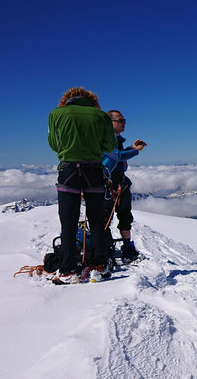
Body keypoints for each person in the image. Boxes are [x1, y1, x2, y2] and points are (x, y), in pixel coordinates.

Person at [48, 87, 117, 284]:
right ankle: (99, 264)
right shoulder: (100, 116)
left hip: (68, 171)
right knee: (96, 220)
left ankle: (68, 268)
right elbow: (109, 146)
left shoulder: (55, 114)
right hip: (94, 171)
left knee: (68, 222)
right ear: (91, 100)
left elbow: (54, 144)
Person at [102, 109, 147, 262]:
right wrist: (135, 150)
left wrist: (131, 148)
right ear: (110, 123)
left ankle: (122, 247)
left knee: (124, 216)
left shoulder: (116, 140)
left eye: (124, 120)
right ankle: (106, 249)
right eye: (121, 120)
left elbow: (118, 156)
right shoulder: (105, 139)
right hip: (107, 186)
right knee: (104, 219)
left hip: (118, 184)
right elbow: (118, 156)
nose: (124, 123)